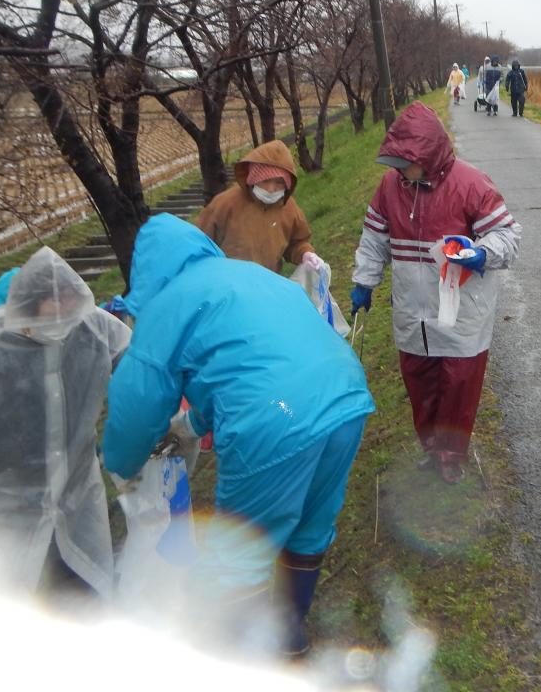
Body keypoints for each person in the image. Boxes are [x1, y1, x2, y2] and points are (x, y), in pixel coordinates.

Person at [102, 213, 374, 656]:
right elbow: (242, 366)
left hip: (274, 417)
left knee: (235, 556)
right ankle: (288, 637)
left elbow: (138, 398)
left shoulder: (168, 305)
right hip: (344, 398)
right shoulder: (248, 275)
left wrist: (121, 462)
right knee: (309, 525)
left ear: (147, 269)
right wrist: (191, 425)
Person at [0, 247, 131, 598]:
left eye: (69, 312)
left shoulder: (93, 325)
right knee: (19, 600)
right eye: (51, 316)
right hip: (7, 505)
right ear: (23, 311)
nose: (61, 324)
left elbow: (139, 366)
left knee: (85, 594)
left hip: (76, 497)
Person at [349, 102, 521, 483]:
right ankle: (431, 448)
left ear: (429, 155)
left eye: (406, 162)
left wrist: (481, 253)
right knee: (420, 379)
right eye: (395, 163)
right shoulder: (391, 187)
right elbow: (374, 238)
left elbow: (507, 235)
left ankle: (451, 455)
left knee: (458, 383)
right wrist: (365, 280)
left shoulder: (471, 183)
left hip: (462, 308)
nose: (400, 171)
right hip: (413, 307)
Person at [196, 140, 315, 274]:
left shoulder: (289, 208)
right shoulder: (225, 204)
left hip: (267, 284)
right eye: (265, 181)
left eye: (279, 182)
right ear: (253, 178)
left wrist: (305, 254)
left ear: (288, 184)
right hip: (228, 284)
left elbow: (296, 242)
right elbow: (198, 243)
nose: (271, 189)